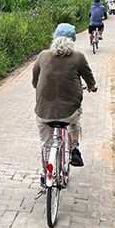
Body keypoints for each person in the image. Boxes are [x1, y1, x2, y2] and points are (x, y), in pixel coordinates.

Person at [32, 23, 97, 184]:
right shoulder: (78, 57)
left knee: (45, 143)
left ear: (54, 38)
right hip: (69, 113)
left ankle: (44, 172)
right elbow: (89, 79)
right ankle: (74, 146)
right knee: (75, 117)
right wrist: (92, 86)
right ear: (73, 40)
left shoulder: (43, 56)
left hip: (43, 112)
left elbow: (35, 80)